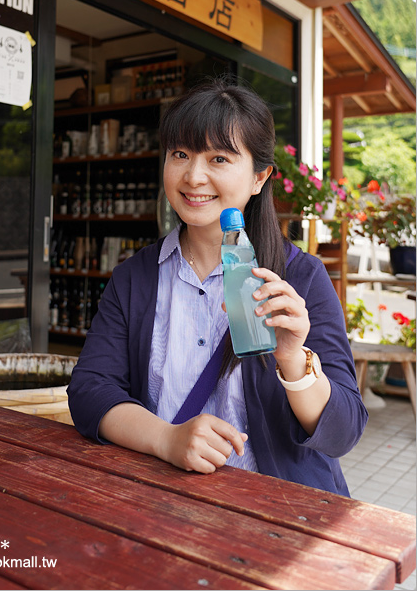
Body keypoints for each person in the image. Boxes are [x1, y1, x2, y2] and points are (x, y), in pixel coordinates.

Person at [68, 77, 367, 495]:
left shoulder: (301, 279)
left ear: (260, 177)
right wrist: (166, 439)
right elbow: (89, 391)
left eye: (219, 159)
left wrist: (293, 359)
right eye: (180, 154)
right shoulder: (135, 277)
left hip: (277, 519)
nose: (193, 176)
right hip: (163, 505)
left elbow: (343, 432)